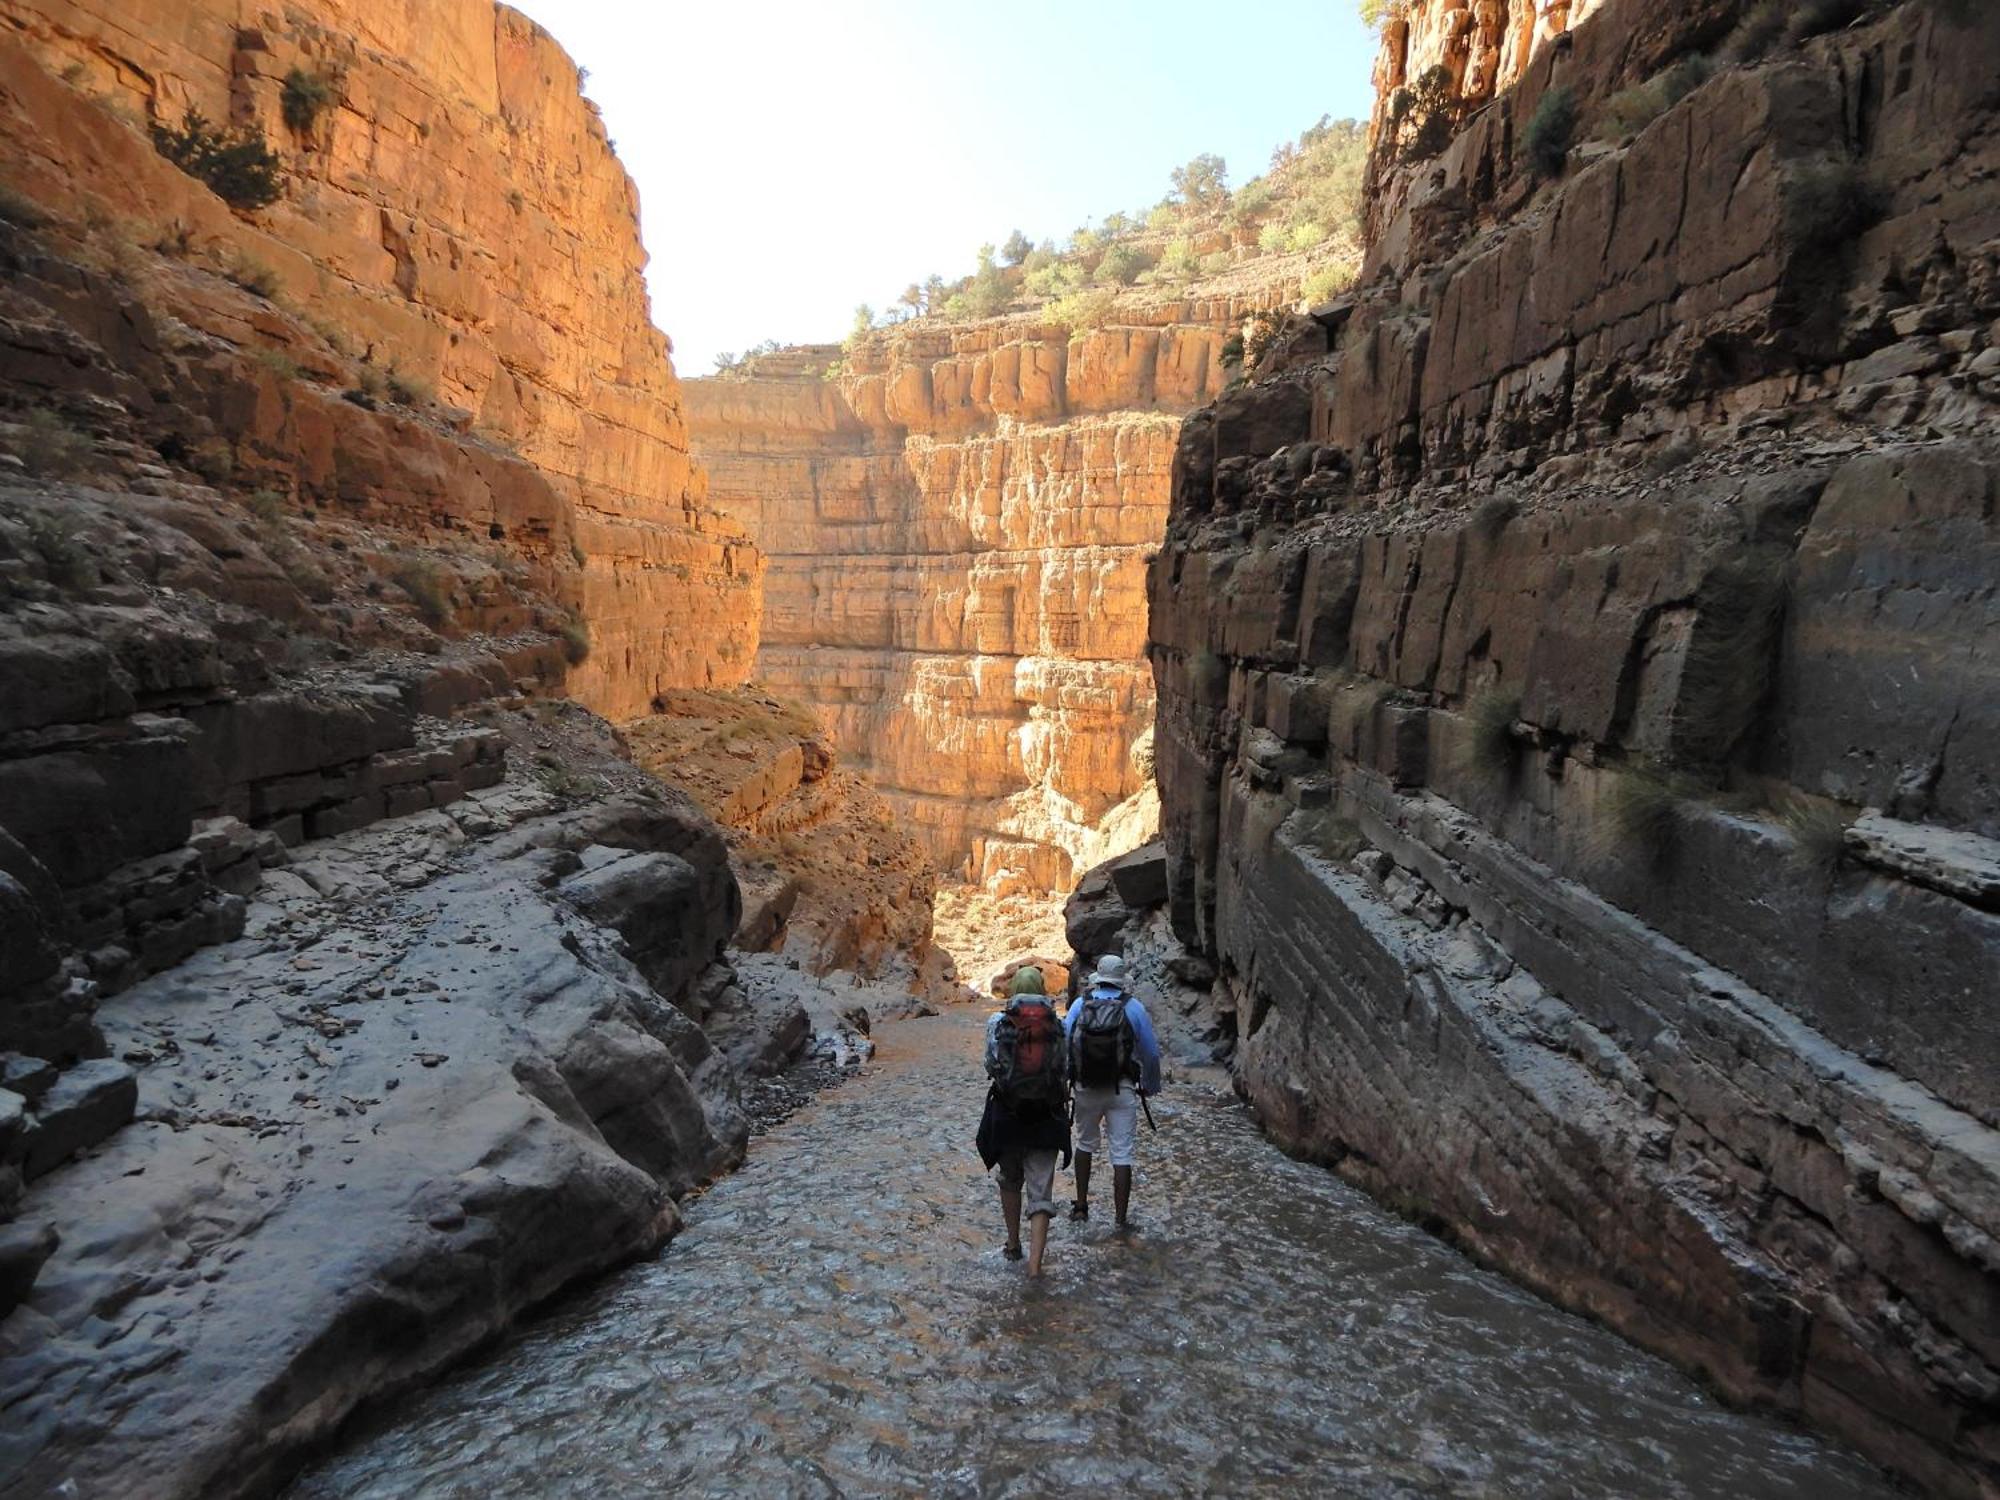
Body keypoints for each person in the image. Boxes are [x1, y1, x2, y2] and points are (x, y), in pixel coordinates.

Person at [976, 965, 1071, 1276]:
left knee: (1010, 1179)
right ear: (1043, 991)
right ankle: (1034, 1268)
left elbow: (990, 1063)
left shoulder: (998, 1022)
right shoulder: (1059, 1024)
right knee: (1041, 1192)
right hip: (1047, 1116)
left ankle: (1013, 1244)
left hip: (1009, 1114)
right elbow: (1067, 1065)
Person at [1065, 954, 1161, 1231]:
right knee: (1122, 1154)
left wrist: (1067, 1080)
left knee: (1084, 1143)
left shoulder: (1079, 1006)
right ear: (1122, 980)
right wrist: (1151, 1085)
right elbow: (1151, 1054)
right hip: (1122, 1088)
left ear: (1098, 977)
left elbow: (1066, 1042)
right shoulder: (1134, 1008)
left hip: (1085, 1088)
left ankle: (1081, 1207)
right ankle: (1120, 1220)